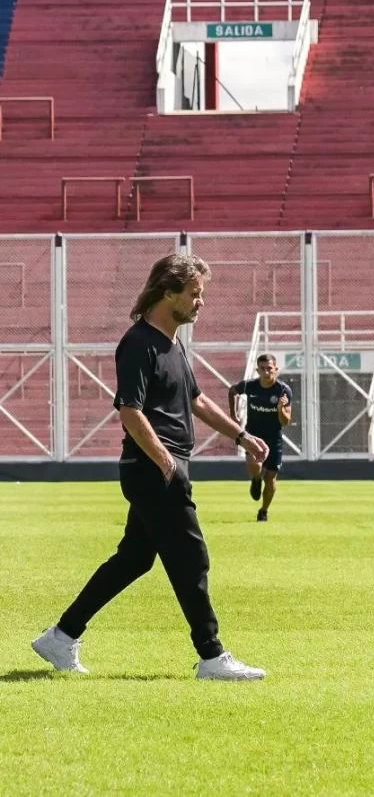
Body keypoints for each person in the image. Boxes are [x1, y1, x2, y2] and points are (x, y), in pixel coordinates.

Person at [31, 254, 269, 680]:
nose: (201, 303)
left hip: (162, 467)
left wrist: (242, 436)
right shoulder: (138, 342)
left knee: (134, 559)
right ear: (168, 292)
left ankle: (61, 636)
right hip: (153, 469)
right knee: (191, 557)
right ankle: (212, 657)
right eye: (194, 294)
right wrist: (165, 463)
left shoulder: (171, 342)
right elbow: (130, 410)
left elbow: (196, 400)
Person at [229, 354, 292, 522]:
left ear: (276, 370)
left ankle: (263, 510)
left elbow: (285, 422)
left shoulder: (283, 391)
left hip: (274, 438)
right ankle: (256, 479)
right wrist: (233, 414)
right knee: (255, 467)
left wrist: (280, 409)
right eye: (262, 368)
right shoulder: (250, 386)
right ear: (257, 370)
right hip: (253, 436)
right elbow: (232, 391)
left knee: (271, 478)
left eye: (269, 368)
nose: (266, 372)